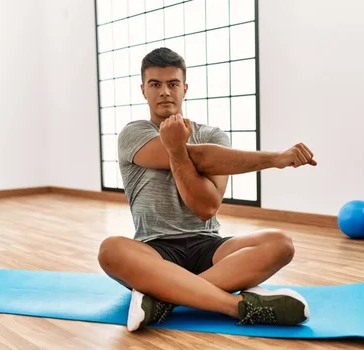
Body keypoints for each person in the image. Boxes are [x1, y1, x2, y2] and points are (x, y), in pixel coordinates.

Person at [98, 48, 318, 332]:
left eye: (172, 84)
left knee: (280, 244)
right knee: (110, 250)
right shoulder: (134, 134)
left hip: (209, 248)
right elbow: (199, 158)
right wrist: (274, 159)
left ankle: (167, 298)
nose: (164, 92)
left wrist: (176, 149)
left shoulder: (213, 136)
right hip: (155, 251)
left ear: (184, 88)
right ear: (143, 90)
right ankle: (235, 307)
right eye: (155, 84)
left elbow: (205, 208)